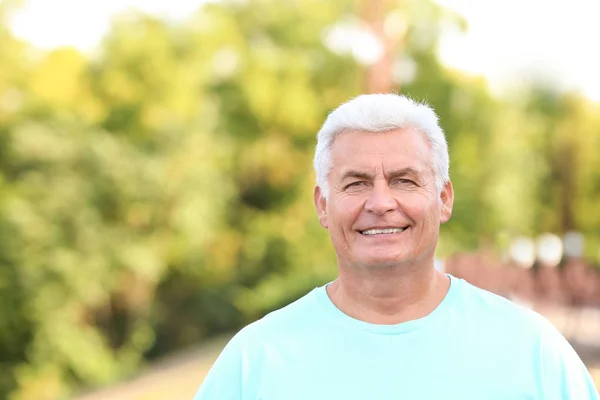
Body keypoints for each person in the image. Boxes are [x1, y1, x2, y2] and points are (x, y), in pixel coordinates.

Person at [193, 94, 599, 399]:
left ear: (443, 198)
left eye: (405, 180)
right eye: (356, 183)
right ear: (322, 204)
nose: (382, 203)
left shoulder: (530, 349)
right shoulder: (256, 360)